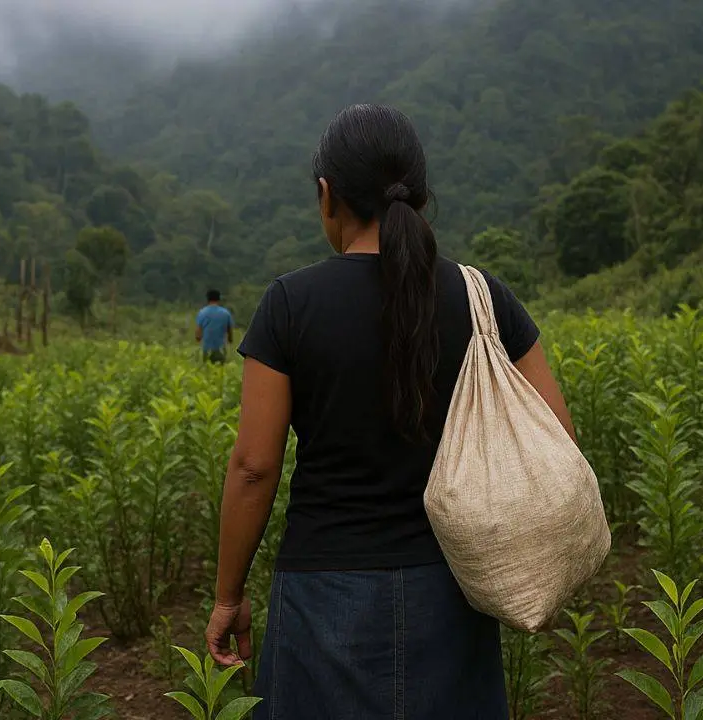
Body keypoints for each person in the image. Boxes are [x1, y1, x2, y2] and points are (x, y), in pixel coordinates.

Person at [204, 104, 577, 719]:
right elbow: (556, 436)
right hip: (454, 591)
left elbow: (253, 466)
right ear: (421, 195)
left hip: (324, 592)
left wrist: (228, 596)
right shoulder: (483, 298)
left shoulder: (289, 304)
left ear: (328, 195)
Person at [195, 289, 234, 364]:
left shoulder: (202, 312)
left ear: (207, 299)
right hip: (221, 349)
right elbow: (230, 335)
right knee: (220, 373)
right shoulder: (226, 313)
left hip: (207, 349)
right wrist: (229, 341)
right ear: (219, 299)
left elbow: (198, 335)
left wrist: (199, 339)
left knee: (207, 372)